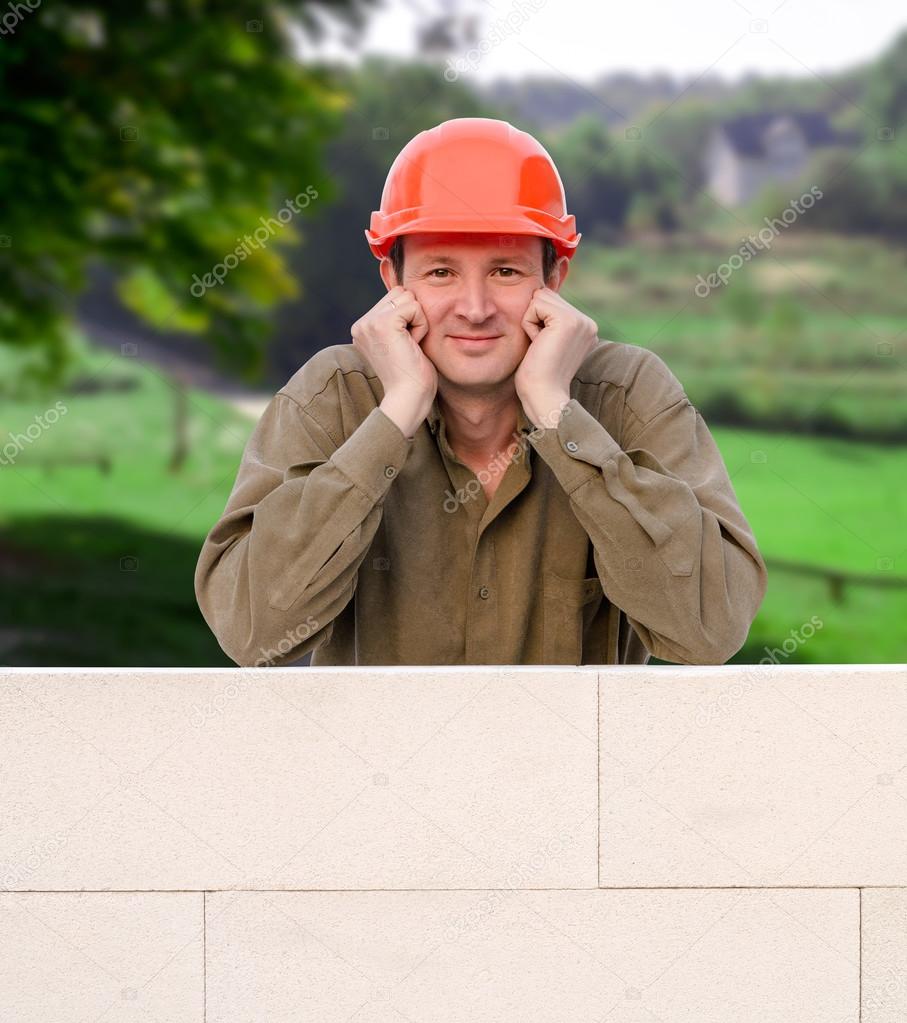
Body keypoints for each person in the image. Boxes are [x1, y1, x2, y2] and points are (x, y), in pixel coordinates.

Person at [193, 117, 768, 667]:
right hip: (380, 767)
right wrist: (393, 418)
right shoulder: (333, 395)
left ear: (554, 279)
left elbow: (707, 633)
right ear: (393, 281)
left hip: (568, 768)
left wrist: (557, 414)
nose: (474, 309)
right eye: (440, 272)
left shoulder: (627, 393)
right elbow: (255, 635)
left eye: (506, 272)